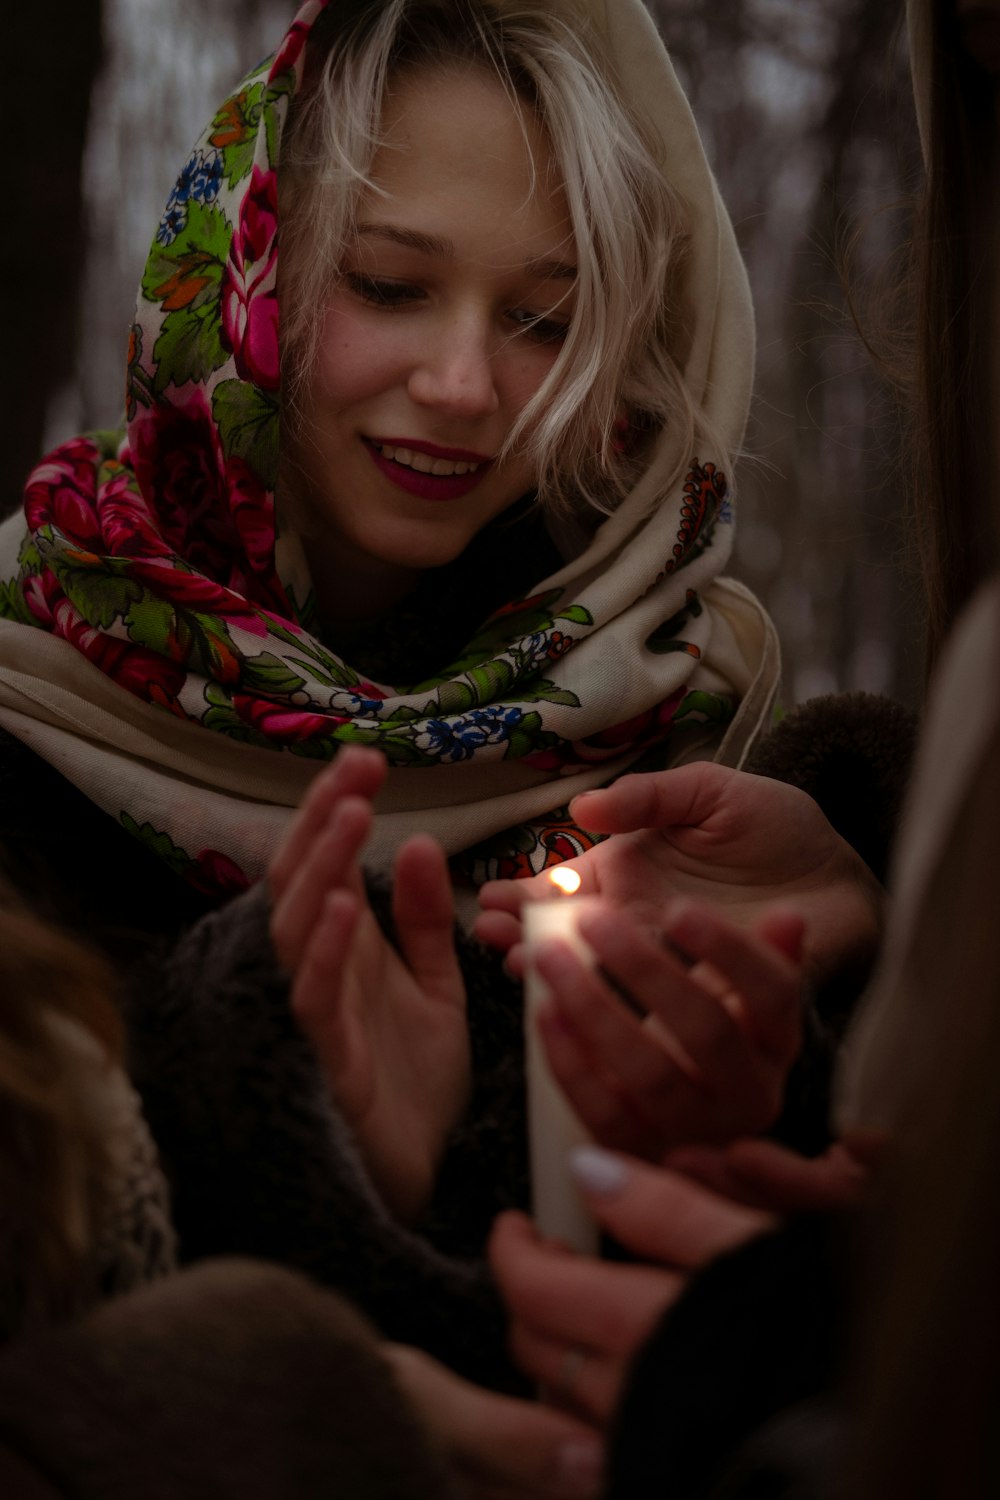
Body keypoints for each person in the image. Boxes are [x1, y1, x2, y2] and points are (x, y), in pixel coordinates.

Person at [0, 0, 820, 1390]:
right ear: (249, 278)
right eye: (389, 285)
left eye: (542, 320)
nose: (462, 385)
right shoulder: (33, 673)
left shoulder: (689, 756)